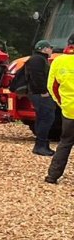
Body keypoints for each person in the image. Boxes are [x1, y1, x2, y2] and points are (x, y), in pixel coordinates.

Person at [16, 40, 59, 157]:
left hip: (38, 93)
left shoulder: (38, 59)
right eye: (50, 48)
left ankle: (43, 145)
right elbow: (37, 77)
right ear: (44, 49)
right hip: (39, 94)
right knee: (46, 118)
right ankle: (40, 146)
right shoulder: (37, 60)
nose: (51, 50)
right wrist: (43, 91)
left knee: (43, 117)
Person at [45, 35, 74, 185]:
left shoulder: (58, 61)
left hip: (69, 110)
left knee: (65, 143)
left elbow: (52, 87)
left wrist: (62, 104)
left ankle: (53, 176)